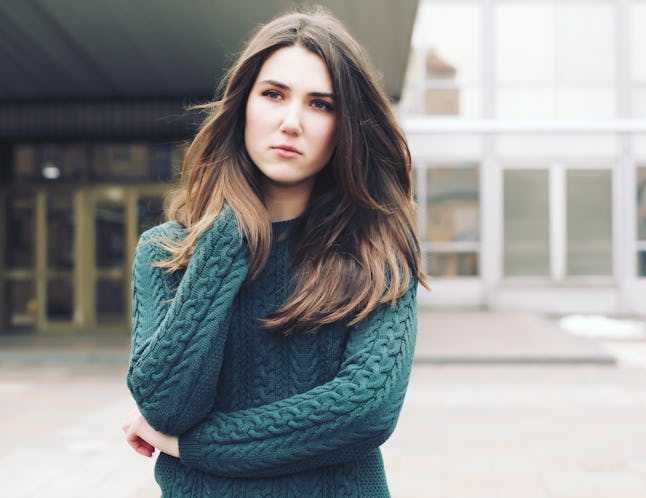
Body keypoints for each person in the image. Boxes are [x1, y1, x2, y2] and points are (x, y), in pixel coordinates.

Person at [121, 7, 427, 497]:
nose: (291, 122)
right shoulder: (168, 253)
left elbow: (364, 412)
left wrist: (195, 448)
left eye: (320, 104)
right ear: (244, 105)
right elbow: (166, 407)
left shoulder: (378, 248)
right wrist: (226, 235)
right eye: (274, 95)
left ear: (345, 125)